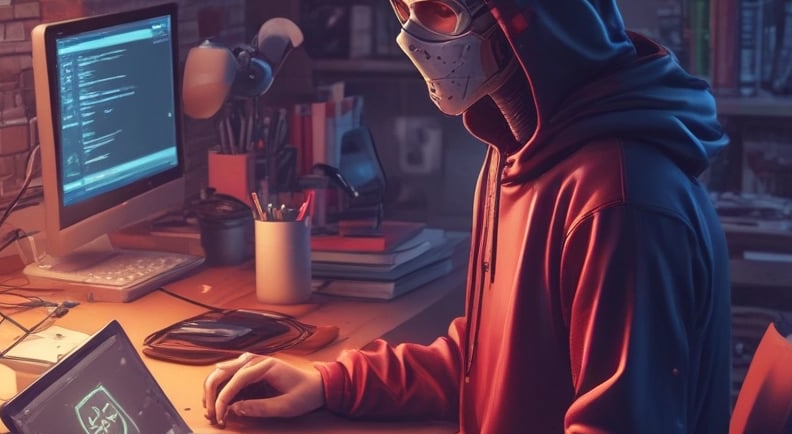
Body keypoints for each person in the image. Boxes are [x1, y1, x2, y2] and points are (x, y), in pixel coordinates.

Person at [203, 0, 732, 432]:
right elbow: (490, 364)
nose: (411, 38)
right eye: (405, 10)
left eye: (436, 10)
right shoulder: (517, 150)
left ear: (523, 20)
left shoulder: (618, 203)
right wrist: (329, 383)